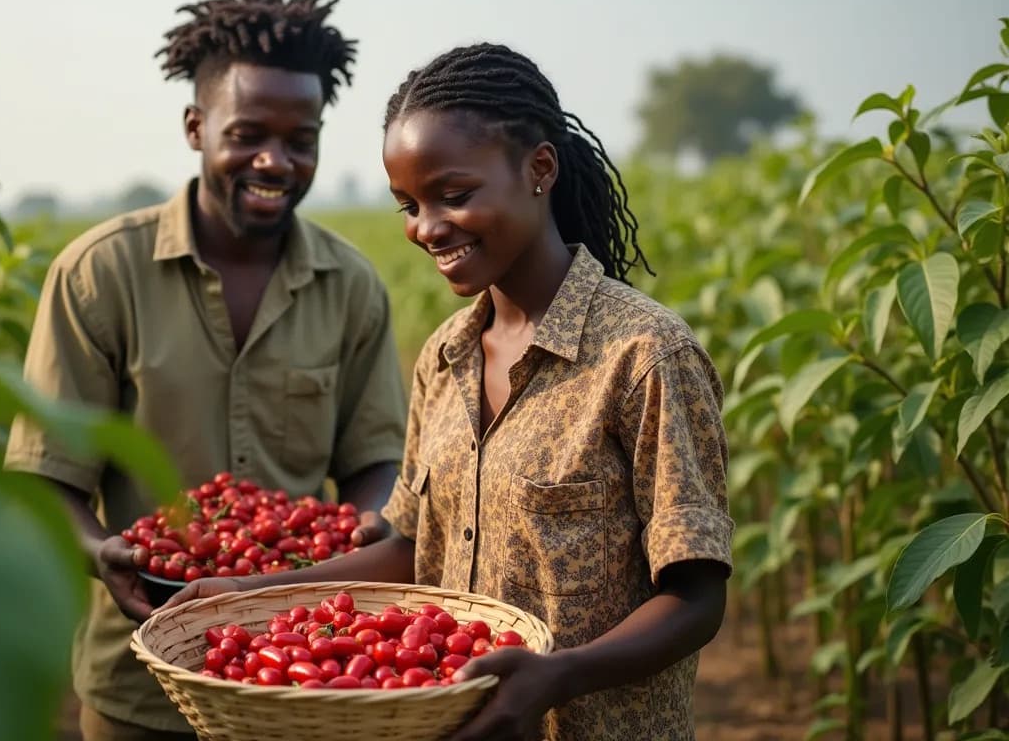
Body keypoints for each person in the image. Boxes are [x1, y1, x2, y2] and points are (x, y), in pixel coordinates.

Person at [167, 42, 735, 741]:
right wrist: (244, 597)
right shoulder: (445, 357)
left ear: (540, 169)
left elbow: (696, 598)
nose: (427, 228)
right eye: (408, 204)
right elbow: (412, 548)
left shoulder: (644, 357)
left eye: (454, 196)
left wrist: (558, 674)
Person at [2, 0, 407, 739]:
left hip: (302, 670)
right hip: (142, 680)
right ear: (195, 126)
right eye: (248, 133)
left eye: (301, 140)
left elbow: (374, 456)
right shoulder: (100, 274)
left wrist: (367, 524)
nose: (275, 162)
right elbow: (47, 476)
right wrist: (104, 553)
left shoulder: (351, 287)